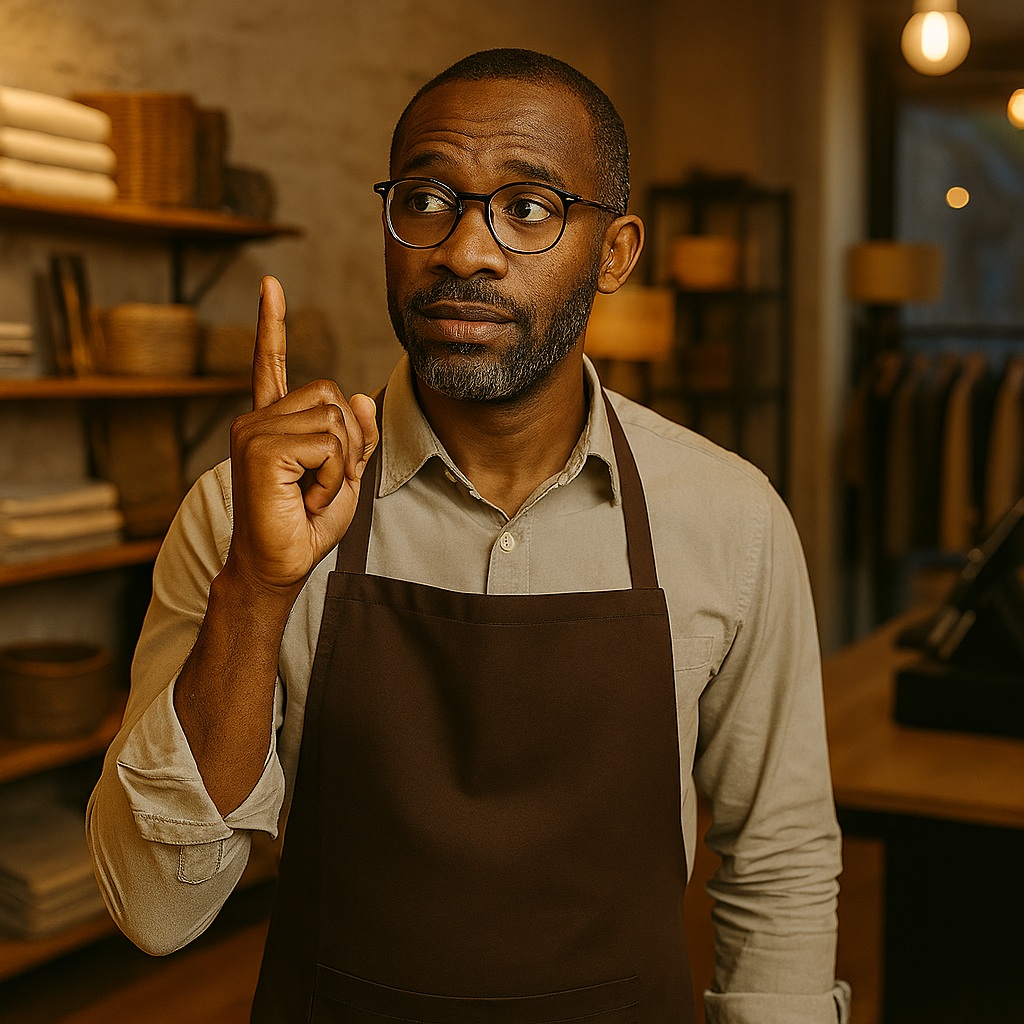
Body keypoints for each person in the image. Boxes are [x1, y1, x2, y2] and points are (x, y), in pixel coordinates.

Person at [88, 48, 847, 1024]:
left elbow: (779, 857)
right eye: (426, 199)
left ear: (614, 253)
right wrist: (257, 587)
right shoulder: (244, 516)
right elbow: (155, 910)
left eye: (527, 208)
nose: (463, 250)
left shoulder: (732, 518)